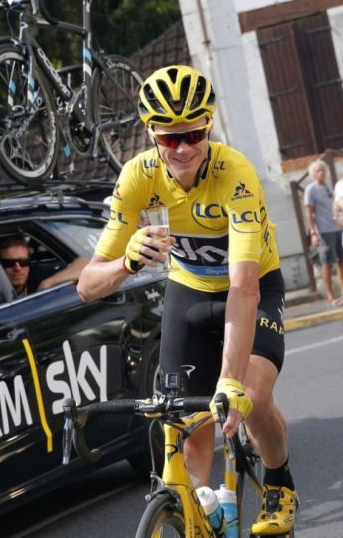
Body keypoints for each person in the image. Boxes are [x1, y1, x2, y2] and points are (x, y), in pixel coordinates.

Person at [76, 65, 297, 534]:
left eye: (193, 134)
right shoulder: (137, 177)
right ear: (150, 133)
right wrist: (126, 263)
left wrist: (230, 379)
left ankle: (279, 482)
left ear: (208, 126)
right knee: (186, 428)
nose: (182, 148)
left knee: (252, 396)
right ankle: (195, 515)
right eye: (169, 137)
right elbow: (88, 285)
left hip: (251, 288)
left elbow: (244, 287)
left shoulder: (236, 174)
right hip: (189, 293)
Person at [304, 158, 343, 306]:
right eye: (317, 170)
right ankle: (330, 296)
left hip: (338, 229)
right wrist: (313, 232)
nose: (321, 172)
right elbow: (309, 213)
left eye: (322, 170)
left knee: (341, 262)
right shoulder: (311, 189)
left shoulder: (330, 187)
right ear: (313, 174)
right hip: (324, 231)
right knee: (327, 263)